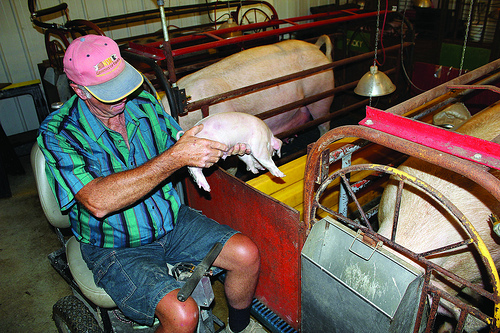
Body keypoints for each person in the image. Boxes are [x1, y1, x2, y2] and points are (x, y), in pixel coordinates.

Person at [38, 34, 265, 333]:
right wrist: (175, 157)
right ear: (80, 90)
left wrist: (224, 142)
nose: (121, 98)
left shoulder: (142, 103)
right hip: (115, 244)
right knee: (183, 315)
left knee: (246, 255)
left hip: (171, 220)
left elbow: (181, 144)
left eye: (121, 84)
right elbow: (98, 202)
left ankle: (241, 328)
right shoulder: (59, 133)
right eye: (109, 92)